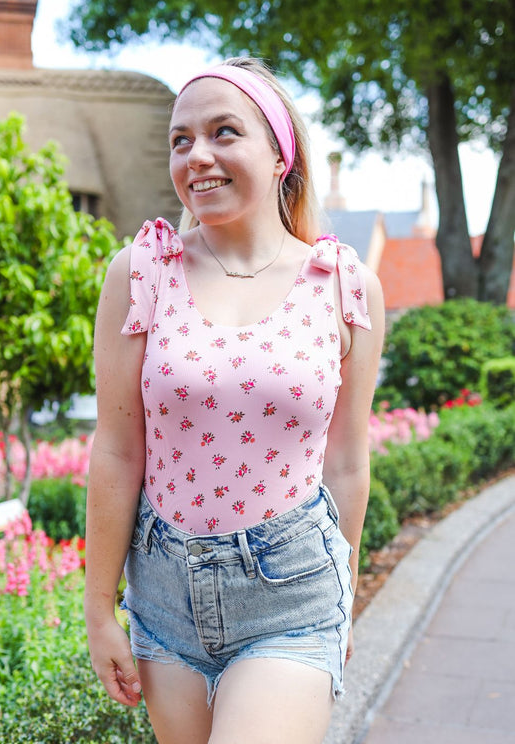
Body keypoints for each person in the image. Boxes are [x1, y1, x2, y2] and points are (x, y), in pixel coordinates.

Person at [85, 56, 385, 744]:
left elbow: (345, 461)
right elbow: (116, 447)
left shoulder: (345, 287)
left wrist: (339, 605)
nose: (199, 157)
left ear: (280, 154)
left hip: (292, 595)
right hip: (164, 598)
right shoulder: (140, 273)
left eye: (225, 133)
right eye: (181, 140)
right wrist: (99, 610)